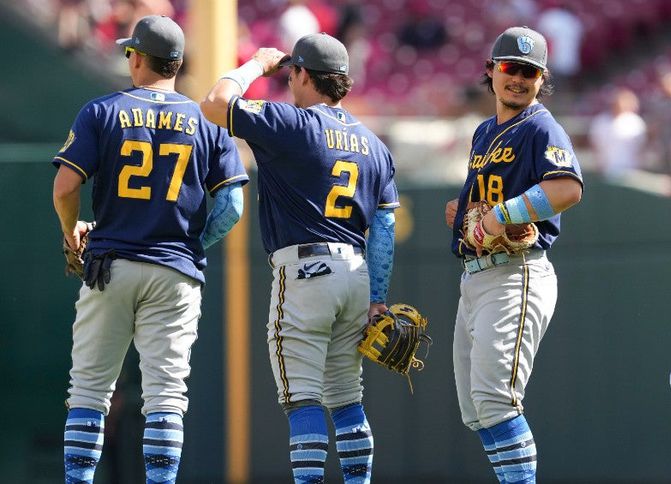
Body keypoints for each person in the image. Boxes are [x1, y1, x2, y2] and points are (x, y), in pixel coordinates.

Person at [53, 15, 249, 484]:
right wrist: (189, 243)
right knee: (165, 396)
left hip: (111, 265)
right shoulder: (206, 123)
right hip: (175, 272)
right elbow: (233, 206)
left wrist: (70, 231)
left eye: (130, 52)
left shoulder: (102, 110)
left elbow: (65, 188)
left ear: (138, 58)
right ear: (177, 64)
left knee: (89, 391)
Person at [200, 33, 398, 484]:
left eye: (293, 73)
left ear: (304, 74)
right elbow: (384, 229)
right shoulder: (375, 144)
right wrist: (377, 297)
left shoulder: (293, 123)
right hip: (356, 274)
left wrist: (255, 65)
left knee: (303, 398)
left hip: (306, 271)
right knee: (347, 398)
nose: (289, 80)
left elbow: (215, 103)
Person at [444, 26, 583, 484]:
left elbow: (567, 189)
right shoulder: (485, 131)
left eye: (530, 72)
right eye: (510, 68)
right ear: (491, 70)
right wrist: (463, 211)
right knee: (477, 410)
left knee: (495, 401)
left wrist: (501, 216)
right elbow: (487, 205)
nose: (518, 79)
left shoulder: (541, 126)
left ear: (542, 79)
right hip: (476, 277)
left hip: (516, 273)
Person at [588, 87, 647, 180]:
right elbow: (596, 146)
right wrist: (599, 165)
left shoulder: (635, 122)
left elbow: (641, 147)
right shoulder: (601, 121)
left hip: (631, 170)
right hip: (607, 170)